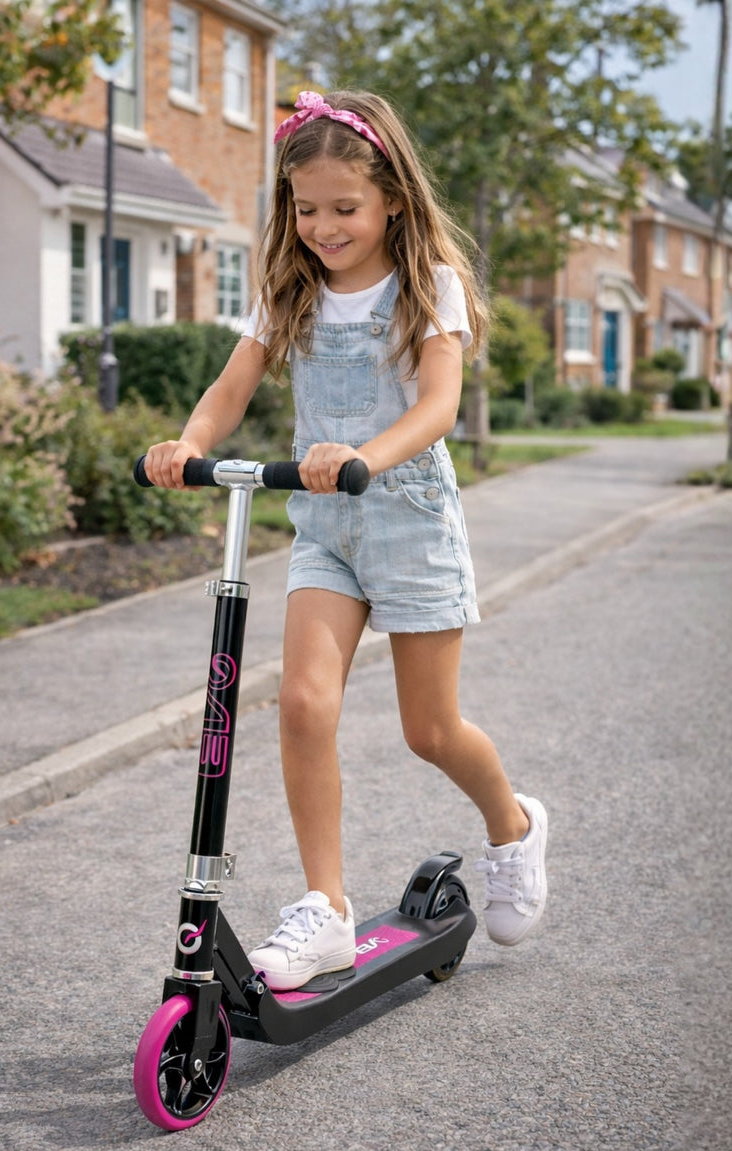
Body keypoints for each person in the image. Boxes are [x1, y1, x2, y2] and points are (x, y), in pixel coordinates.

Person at [143, 90, 548, 991]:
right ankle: (325, 908)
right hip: (325, 527)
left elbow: (439, 407)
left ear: (392, 199)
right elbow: (232, 382)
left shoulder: (425, 284)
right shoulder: (288, 287)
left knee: (430, 729)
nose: (322, 227)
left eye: (344, 209)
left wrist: (362, 453)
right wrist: (192, 443)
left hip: (408, 520)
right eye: (306, 207)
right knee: (299, 704)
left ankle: (513, 827)